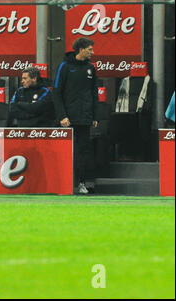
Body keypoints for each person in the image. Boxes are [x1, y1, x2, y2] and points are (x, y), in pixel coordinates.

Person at [53, 37, 99, 195]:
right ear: (81, 49)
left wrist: (94, 116)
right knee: (66, 152)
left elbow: (94, 93)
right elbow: (57, 92)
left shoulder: (90, 68)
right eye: (90, 49)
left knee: (83, 152)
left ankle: (81, 183)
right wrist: (62, 116)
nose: (93, 52)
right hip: (68, 119)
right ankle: (63, 183)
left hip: (85, 118)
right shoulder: (64, 66)